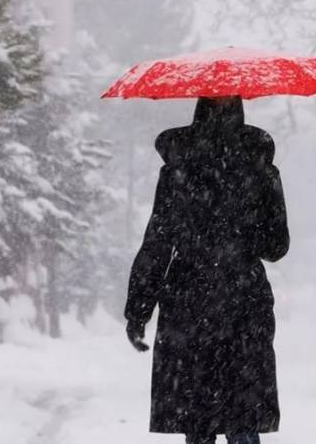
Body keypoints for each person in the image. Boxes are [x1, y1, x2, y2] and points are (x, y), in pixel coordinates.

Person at [125, 96, 290, 444]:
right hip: (243, 302)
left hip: (188, 303)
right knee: (242, 415)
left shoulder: (179, 168)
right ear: (239, 110)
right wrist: (246, 229)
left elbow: (158, 242)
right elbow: (277, 247)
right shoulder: (259, 166)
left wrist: (139, 312)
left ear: (198, 110)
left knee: (197, 417)